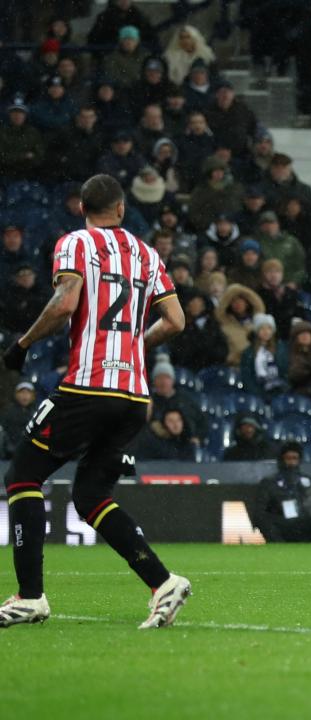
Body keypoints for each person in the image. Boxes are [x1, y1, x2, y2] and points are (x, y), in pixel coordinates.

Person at [0, 174, 190, 629]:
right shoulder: (147, 254)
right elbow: (176, 321)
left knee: (23, 477)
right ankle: (163, 582)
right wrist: (135, 346)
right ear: (121, 209)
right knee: (90, 496)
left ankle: (30, 597)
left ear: (82, 208)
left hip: (89, 386)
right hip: (134, 396)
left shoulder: (75, 243)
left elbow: (66, 303)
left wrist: (22, 345)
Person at [252, 442, 311, 542]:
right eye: (288, 458)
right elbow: (259, 510)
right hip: (282, 524)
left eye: (295, 458)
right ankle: (278, 545)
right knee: (263, 519)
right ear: (282, 459)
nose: (291, 461)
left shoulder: (310, 481)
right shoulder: (269, 482)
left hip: (305, 524)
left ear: (299, 460)